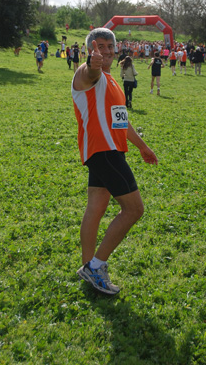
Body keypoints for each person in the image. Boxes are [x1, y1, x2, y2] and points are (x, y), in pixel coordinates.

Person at [72, 28, 157, 295]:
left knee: (96, 208)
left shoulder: (112, 81)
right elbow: (89, 72)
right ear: (90, 49)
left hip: (108, 151)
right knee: (134, 210)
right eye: (100, 46)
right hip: (104, 151)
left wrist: (142, 146)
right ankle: (96, 266)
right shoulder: (87, 74)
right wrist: (91, 64)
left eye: (110, 46)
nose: (107, 51)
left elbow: (122, 121)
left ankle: (88, 266)